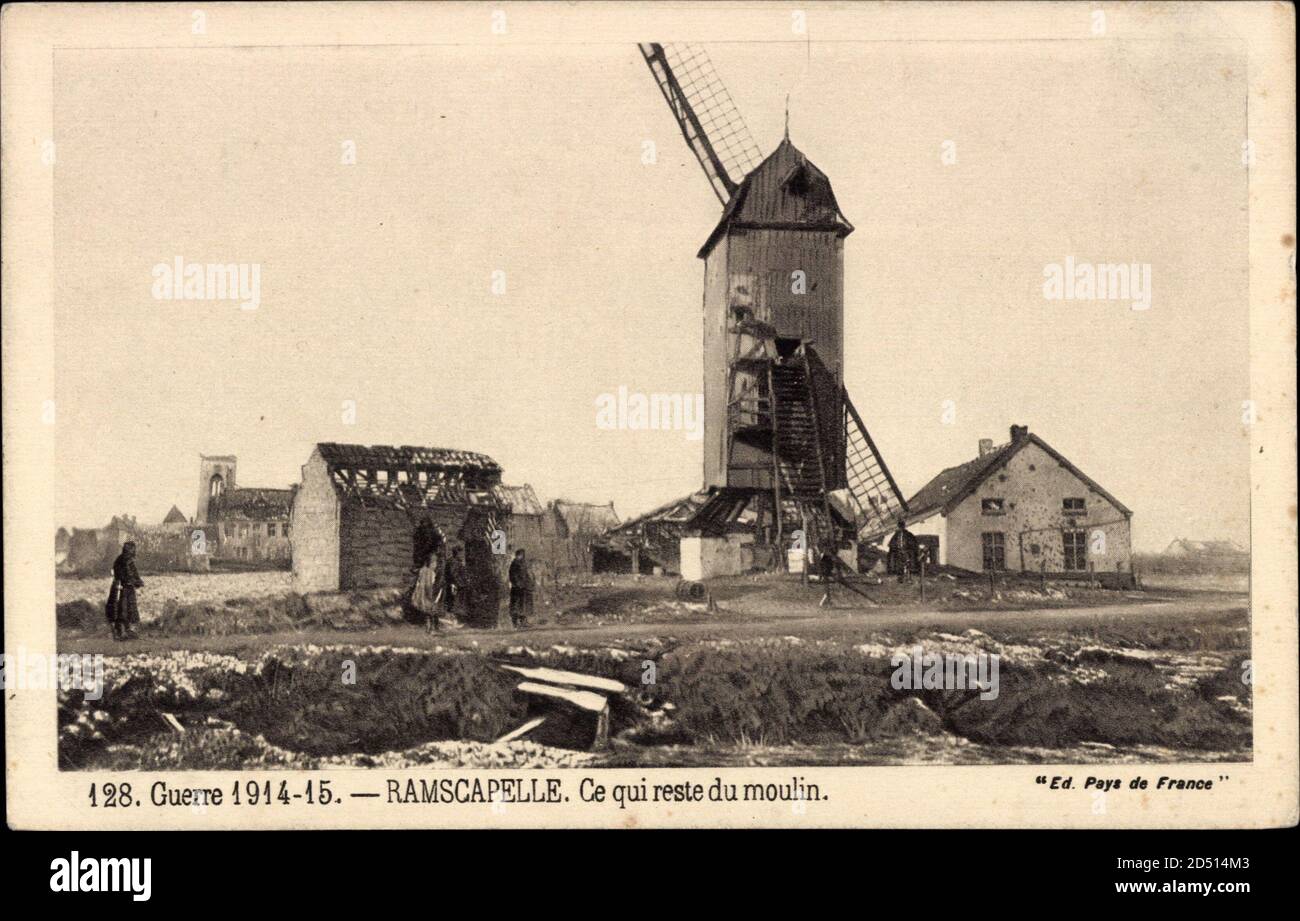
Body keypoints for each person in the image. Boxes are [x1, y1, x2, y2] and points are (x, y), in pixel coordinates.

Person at [110, 541, 145, 640]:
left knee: (132, 609)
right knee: (122, 609)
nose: (133, 552)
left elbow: (134, 573)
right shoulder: (120, 561)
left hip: (129, 588)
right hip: (121, 588)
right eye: (131, 550)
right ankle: (121, 632)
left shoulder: (130, 561)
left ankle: (130, 631)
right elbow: (120, 575)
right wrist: (132, 581)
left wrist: (138, 581)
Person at [411, 549, 444, 633]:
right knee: (432, 612)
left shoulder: (422, 570)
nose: (435, 565)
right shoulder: (430, 573)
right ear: (430, 563)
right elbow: (430, 585)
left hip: (422, 594)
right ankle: (432, 629)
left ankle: (428, 629)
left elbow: (418, 581)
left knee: (427, 613)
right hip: (428, 594)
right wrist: (432, 596)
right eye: (434, 563)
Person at [508, 548, 534, 628]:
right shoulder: (514, 564)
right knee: (516, 605)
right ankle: (515, 623)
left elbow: (526, 575)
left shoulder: (523, 564)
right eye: (520, 555)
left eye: (522, 555)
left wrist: (529, 584)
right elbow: (513, 576)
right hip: (517, 588)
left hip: (523, 588)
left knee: (523, 605)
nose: (521, 556)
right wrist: (518, 584)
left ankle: (523, 622)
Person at [443, 546, 467, 616]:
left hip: (454, 584)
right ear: (457, 553)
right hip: (454, 584)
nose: (462, 555)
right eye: (460, 553)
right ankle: (451, 618)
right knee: (452, 601)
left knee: (451, 600)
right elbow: (453, 574)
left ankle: (452, 617)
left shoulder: (453, 561)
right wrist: (459, 583)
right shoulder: (454, 562)